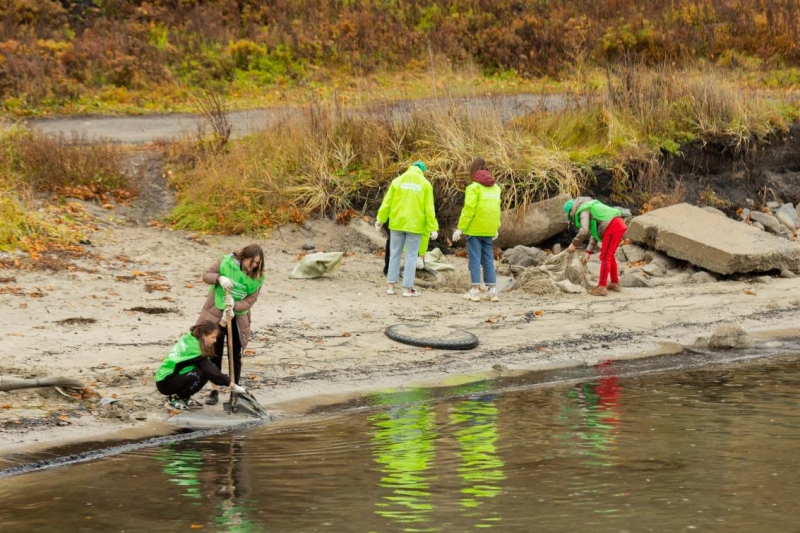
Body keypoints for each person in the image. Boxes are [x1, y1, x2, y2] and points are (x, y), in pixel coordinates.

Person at [197, 244, 265, 405]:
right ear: (244, 257)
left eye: (258, 263)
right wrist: (220, 278)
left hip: (237, 316)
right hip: (217, 313)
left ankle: (235, 391)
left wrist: (235, 305)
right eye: (252, 262)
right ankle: (214, 390)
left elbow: (251, 300)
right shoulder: (226, 263)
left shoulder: (257, 277)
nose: (254, 265)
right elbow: (206, 275)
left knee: (235, 354)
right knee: (215, 352)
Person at [375, 161, 439, 297]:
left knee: (394, 254)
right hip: (415, 226)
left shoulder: (397, 180)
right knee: (411, 256)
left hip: (397, 223)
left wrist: (380, 219)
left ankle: (390, 286)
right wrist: (433, 228)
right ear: (422, 171)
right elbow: (429, 209)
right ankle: (407, 289)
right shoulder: (425, 184)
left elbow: (387, 202)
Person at [155, 321, 247, 411]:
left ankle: (185, 397)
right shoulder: (195, 350)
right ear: (203, 336)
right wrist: (233, 386)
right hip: (166, 382)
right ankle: (174, 399)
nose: (215, 341)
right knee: (204, 373)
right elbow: (212, 371)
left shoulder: (190, 336)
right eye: (213, 337)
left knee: (203, 369)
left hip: (167, 376)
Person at [452, 158, 502, 302]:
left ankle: (474, 290)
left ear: (473, 171)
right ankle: (492, 291)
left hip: (474, 229)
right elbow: (497, 209)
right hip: (489, 229)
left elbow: (469, 210)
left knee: (474, 258)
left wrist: (460, 228)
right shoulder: (496, 188)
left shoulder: (473, 187)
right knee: (488, 258)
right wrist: (496, 227)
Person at [564, 197, 627, 296]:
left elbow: (584, 231)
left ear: (572, 210)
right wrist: (588, 252)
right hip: (619, 224)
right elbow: (595, 233)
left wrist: (573, 244)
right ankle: (615, 283)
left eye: (570, 214)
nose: (571, 217)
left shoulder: (583, 208)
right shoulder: (591, 205)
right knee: (609, 255)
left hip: (613, 226)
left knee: (605, 256)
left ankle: (602, 287)